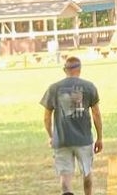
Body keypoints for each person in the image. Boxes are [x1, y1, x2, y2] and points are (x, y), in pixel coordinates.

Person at [40, 56, 103, 195]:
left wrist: (51, 136)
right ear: (79, 69)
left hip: (62, 139)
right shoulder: (89, 87)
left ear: (65, 70)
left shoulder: (54, 88)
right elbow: (96, 114)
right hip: (84, 139)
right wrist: (99, 138)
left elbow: (46, 117)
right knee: (87, 171)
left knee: (65, 175)